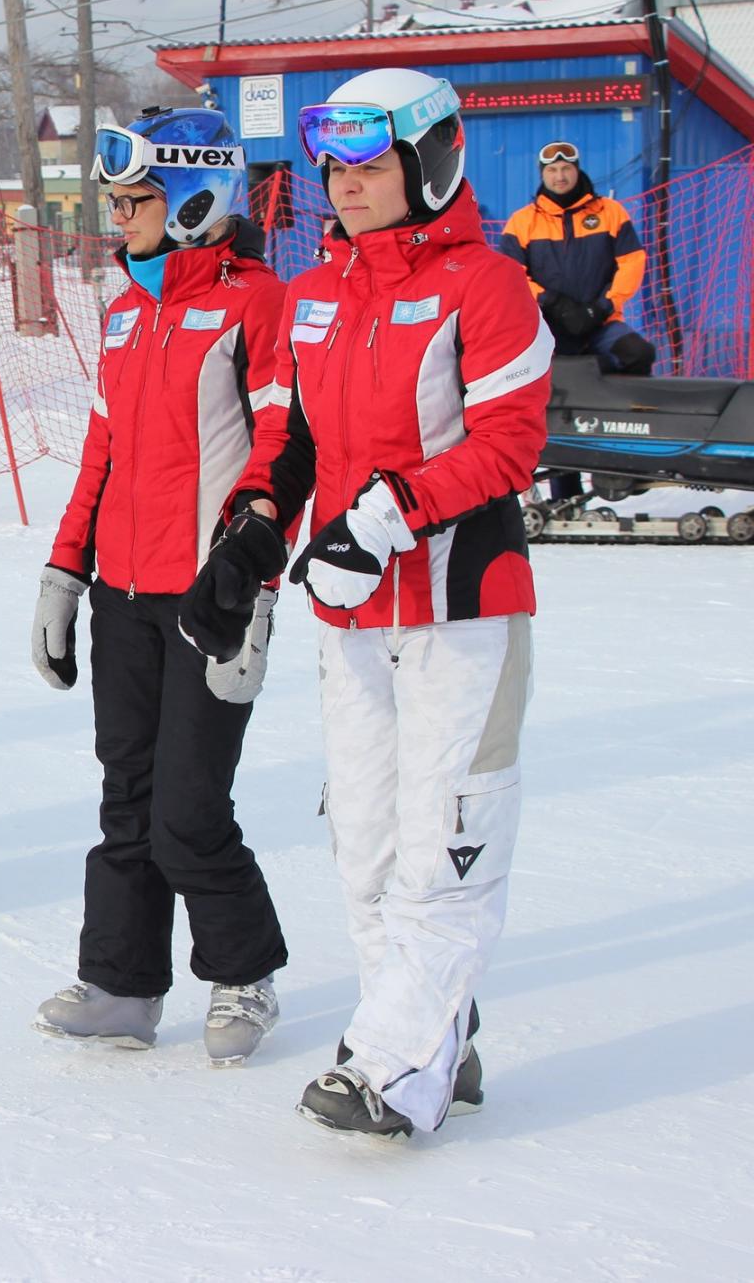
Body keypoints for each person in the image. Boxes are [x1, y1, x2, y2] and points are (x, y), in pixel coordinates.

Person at [181, 69, 551, 1138]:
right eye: (334, 166)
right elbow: (289, 444)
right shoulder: (313, 295)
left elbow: (508, 446)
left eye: (371, 163)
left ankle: (391, 1063)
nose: (345, 184)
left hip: (459, 608)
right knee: (367, 847)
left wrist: (383, 518)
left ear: (429, 162)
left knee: (447, 842)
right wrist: (251, 533)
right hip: (349, 617)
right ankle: (427, 1033)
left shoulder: (488, 286)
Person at [28, 107, 291, 1065]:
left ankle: (244, 973)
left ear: (193, 200)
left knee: (188, 809)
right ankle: (122, 984)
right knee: (127, 800)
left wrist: (253, 578)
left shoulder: (256, 302)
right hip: (123, 594)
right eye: (117, 200)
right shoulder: (126, 313)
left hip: (210, 597)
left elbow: (280, 448)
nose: (119, 216)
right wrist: (66, 571)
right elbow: (101, 452)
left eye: (137, 199)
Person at [498, 141, 653, 500]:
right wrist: (551, 302)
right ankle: (564, 491)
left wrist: (603, 306)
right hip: (549, 329)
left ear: (577, 169)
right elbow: (511, 274)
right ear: (543, 175)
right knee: (554, 394)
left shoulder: (610, 212)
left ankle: (625, 455)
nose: (560, 176)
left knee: (638, 353)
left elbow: (632, 262)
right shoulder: (523, 221)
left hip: (601, 323)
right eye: (552, 170)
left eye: (566, 168)